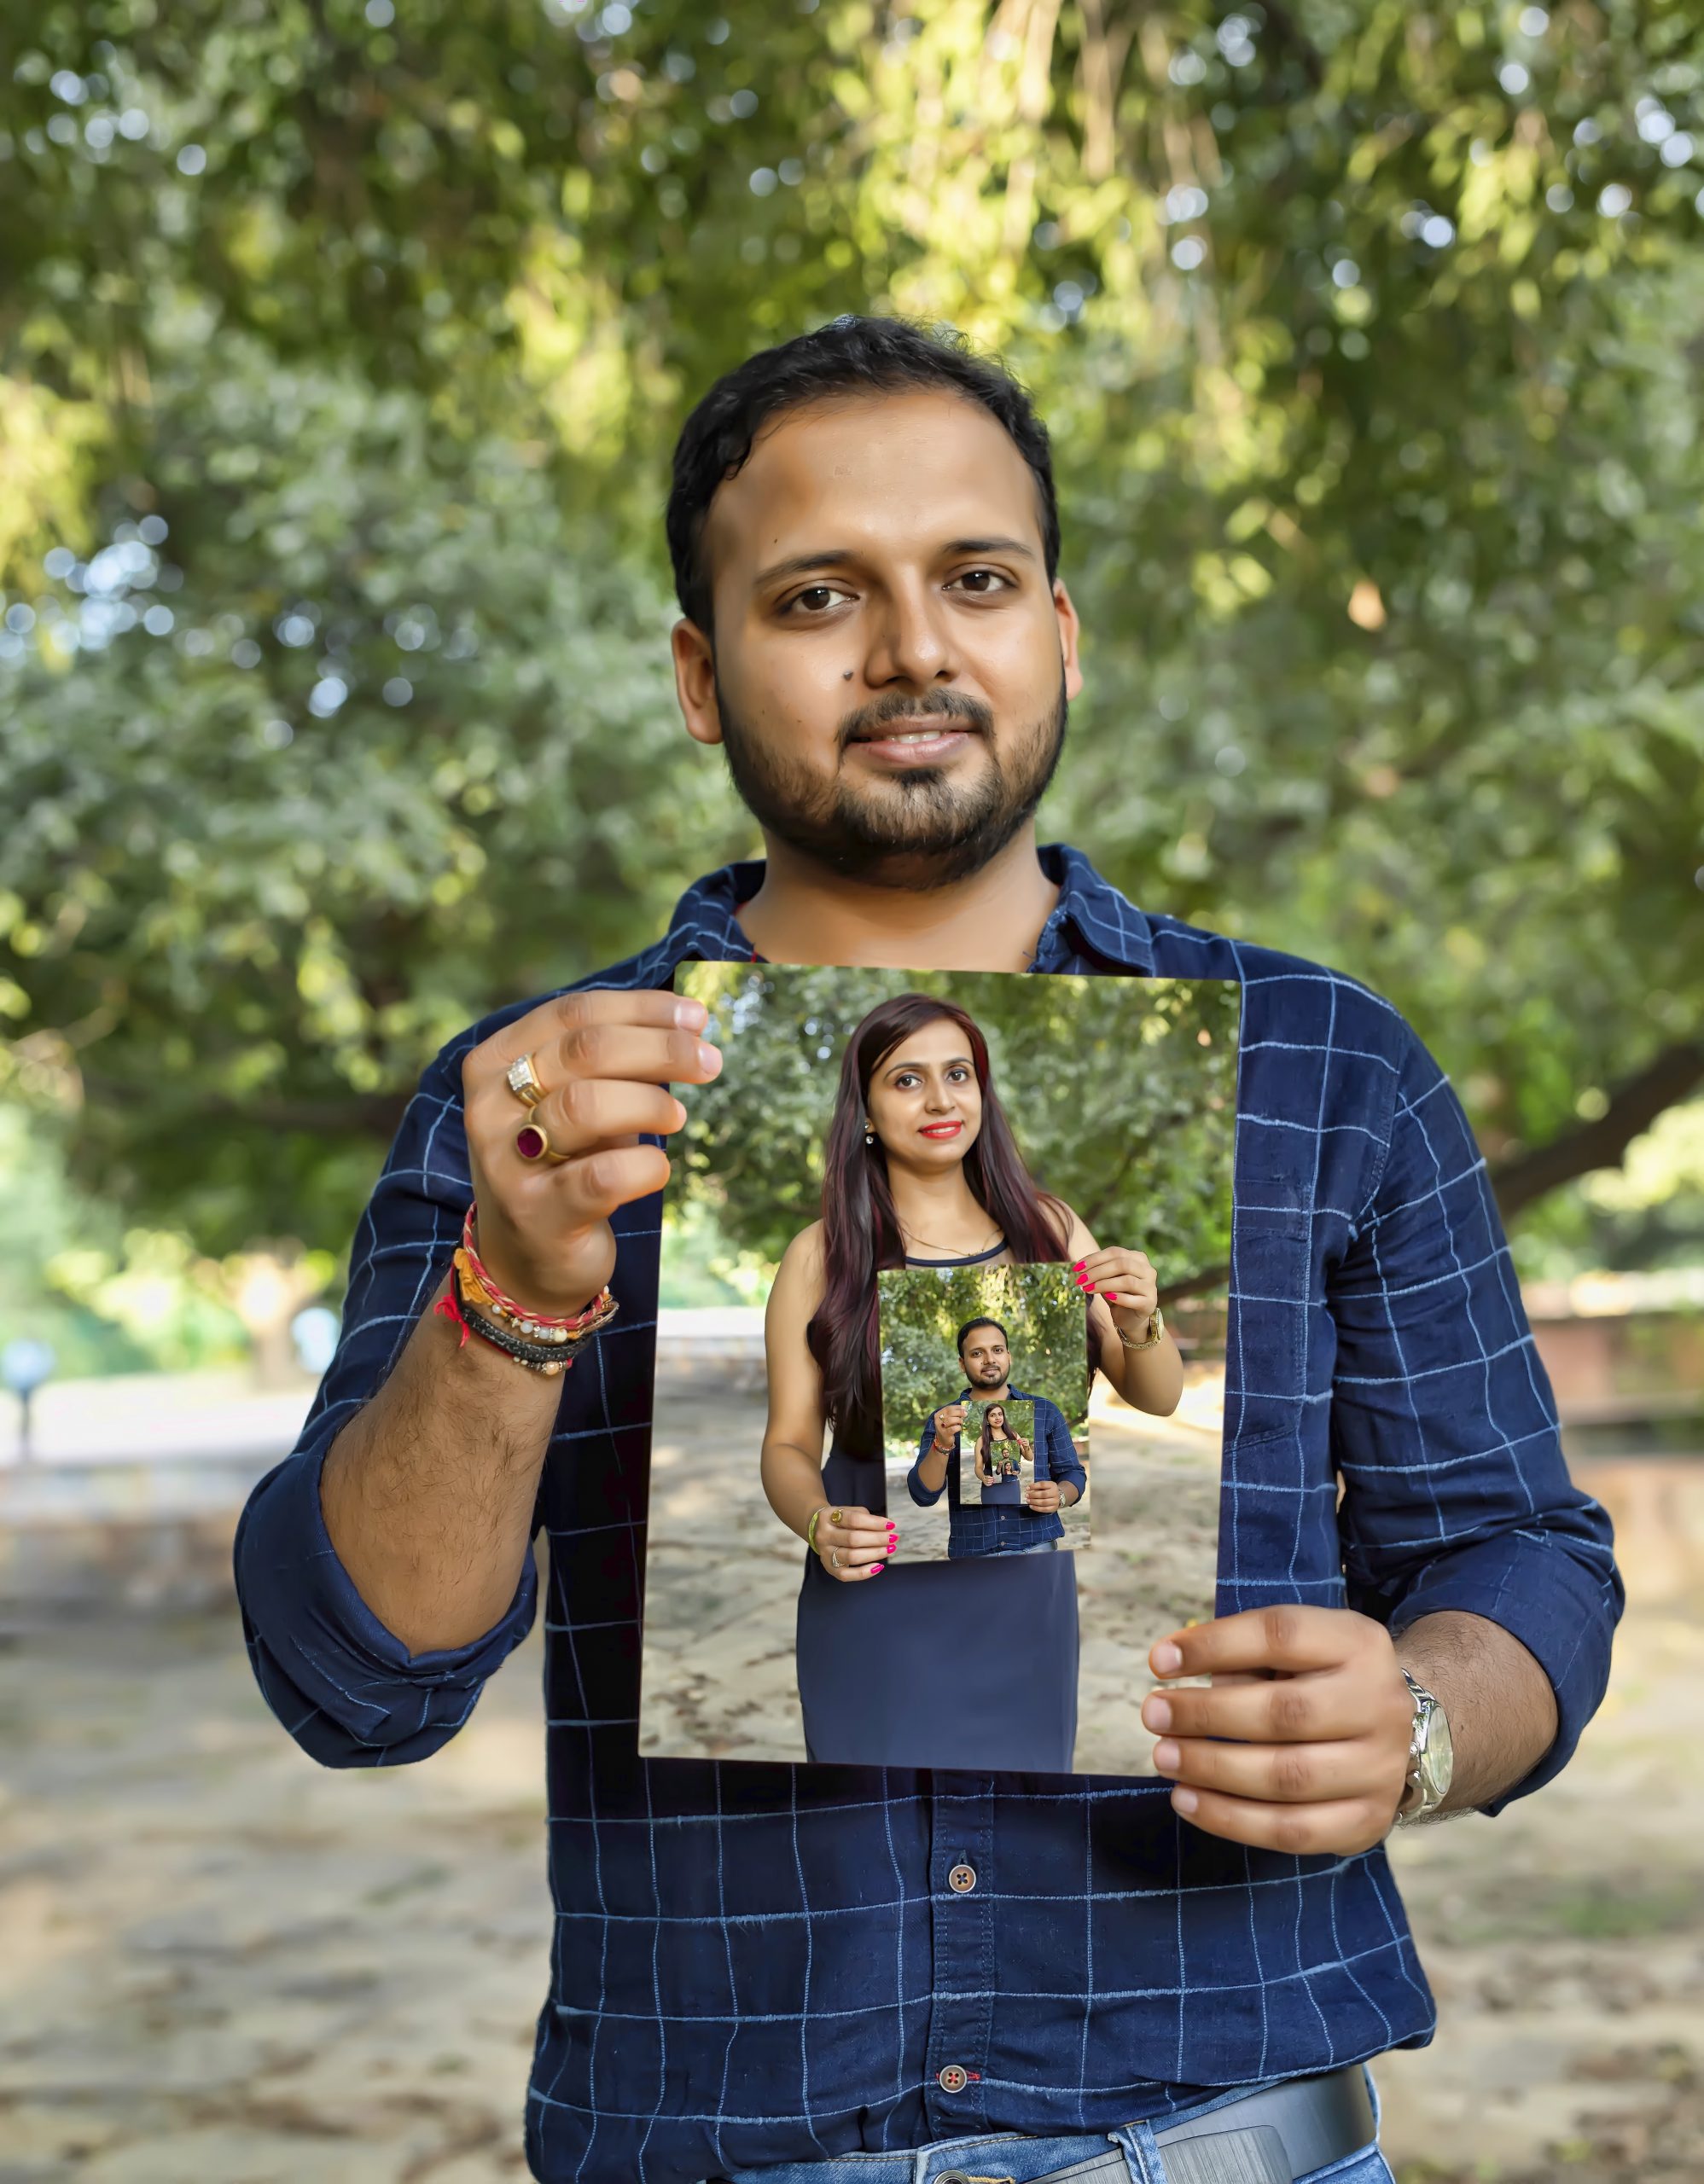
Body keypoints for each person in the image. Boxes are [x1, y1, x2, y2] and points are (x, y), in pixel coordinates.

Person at [232, 316, 1622, 2184]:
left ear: (1057, 628)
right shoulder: (536, 1110)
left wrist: (1424, 1721)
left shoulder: (1324, 1068)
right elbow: (357, 1683)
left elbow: (1518, 1550)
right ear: (700, 673)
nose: (906, 647)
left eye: (970, 577)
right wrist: (517, 1289)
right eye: (814, 595)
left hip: (1230, 2133)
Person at [757, 991, 1170, 1771]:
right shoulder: (819, 1256)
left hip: (1022, 1609)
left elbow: (1157, 1395)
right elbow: (785, 1444)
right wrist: (817, 1523)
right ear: (867, 1110)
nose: (940, 1098)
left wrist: (1140, 1319)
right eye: (905, 1080)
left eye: (958, 1073)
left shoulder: (1049, 1231)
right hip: (874, 1607)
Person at [915, 1327, 1082, 1536]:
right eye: (977, 1353)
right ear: (962, 1364)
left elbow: (1072, 1472)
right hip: (974, 1557)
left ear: (1008, 1356)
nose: (989, 1359)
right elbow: (923, 1496)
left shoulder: (1045, 1411)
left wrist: (1061, 1495)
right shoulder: (944, 1420)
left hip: (1037, 1547)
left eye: (998, 1350)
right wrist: (942, 1444)